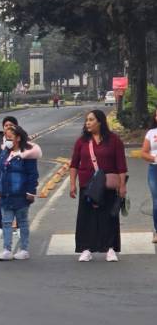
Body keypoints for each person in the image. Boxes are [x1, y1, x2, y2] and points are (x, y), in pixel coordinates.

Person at [69, 109, 128, 262]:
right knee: (86, 217)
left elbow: (121, 165)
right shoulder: (81, 141)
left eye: (91, 120)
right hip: (87, 186)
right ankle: (86, 249)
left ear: (100, 122)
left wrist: (122, 186)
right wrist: (72, 185)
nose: (87, 123)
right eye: (86, 120)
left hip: (107, 185)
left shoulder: (114, 140)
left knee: (108, 216)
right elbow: (74, 164)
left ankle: (110, 249)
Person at [0, 125, 41, 261]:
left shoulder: (27, 154)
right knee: (6, 222)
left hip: (21, 194)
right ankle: (7, 250)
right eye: (6, 137)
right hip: (5, 194)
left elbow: (33, 175)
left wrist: (31, 192)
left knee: (22, 222)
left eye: (10, 137)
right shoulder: (4, 153)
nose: (7, 140)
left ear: (18, 138)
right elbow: (0, 172)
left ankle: (24, 249)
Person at [0, 116, 19, 239]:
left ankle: (17, 227)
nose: (8, 127)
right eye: (6, 125)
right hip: (0, 178)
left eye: (11, 125)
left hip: (16, 178)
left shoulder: (21, 141)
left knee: (16, 203)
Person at [141, 108, 157, 243]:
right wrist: (154, 158)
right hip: (154, 170)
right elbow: (144, 153)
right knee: (156, 202)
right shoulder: (151, 133)